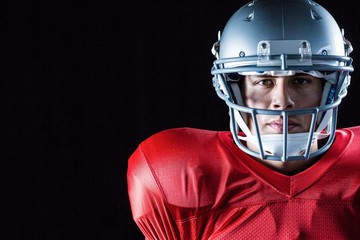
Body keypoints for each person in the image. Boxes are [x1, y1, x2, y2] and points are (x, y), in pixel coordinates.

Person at [127, 0, 360, 239]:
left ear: (331, 88)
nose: (282, 100)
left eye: (301, 80)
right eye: (263, 81)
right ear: (233, 89)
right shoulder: (180, 173)